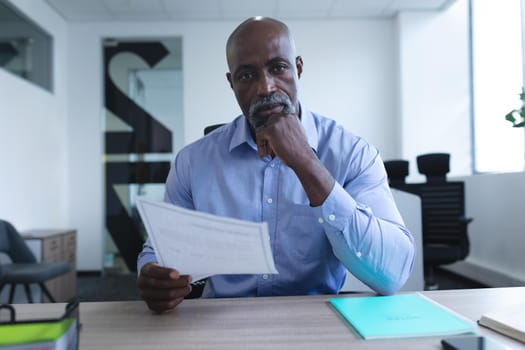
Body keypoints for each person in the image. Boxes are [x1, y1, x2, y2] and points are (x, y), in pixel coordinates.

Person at [137, 16, 415, 314]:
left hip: (316, 323)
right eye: (246, 75)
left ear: (297, 68)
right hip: (222, 323)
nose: (265, 87)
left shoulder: (352, 153)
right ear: (231, 83)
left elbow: (392, 274)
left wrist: (307, 164)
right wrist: (152, 273)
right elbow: (161, 249)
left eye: (278, 68)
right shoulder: (193, 162)